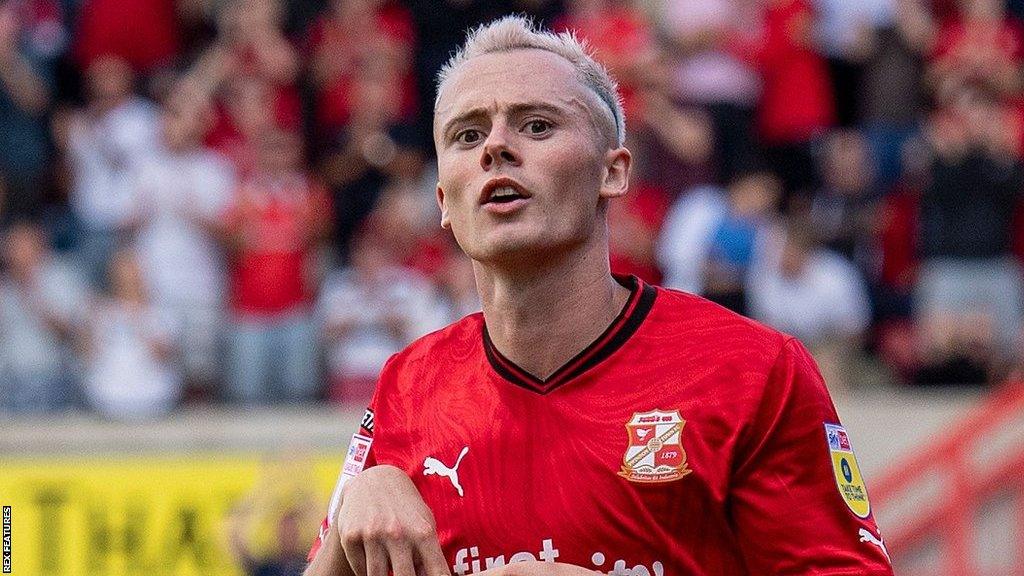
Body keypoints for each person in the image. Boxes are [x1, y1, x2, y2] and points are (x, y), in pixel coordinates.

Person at [305, 16, 894, 576]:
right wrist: (354, 508)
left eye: (536, 125)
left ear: (613, 173)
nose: (496, 149)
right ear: (442, 200)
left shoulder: (754, 372)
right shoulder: (406, 386)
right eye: (467, 134)